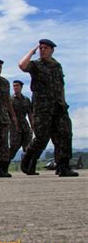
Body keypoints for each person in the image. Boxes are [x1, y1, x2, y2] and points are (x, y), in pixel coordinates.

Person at [19, 39, 78, 177]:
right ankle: (27, 159)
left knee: (65, 134)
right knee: (41, 137)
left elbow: (61, 85)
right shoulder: (36, 65)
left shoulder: (57, 66)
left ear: (52, 50)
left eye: (45, 48)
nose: (42, 50)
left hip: (58, 106)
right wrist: (31, 52)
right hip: (42, 107)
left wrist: (63, 101)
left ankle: (63, 166)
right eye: (41, 48)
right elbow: (22, 65)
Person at [9, 80, 33, 161]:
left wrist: (32, 125)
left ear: (21, 87)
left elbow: (30, 113)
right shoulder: (10, 100)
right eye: (14, 86)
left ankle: (27, 166)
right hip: (14, 126)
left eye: (17, 85)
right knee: (14, 147)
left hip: (25, 125)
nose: (15, 87)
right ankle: (4, 165)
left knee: (28, 147)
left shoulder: (26, 100)